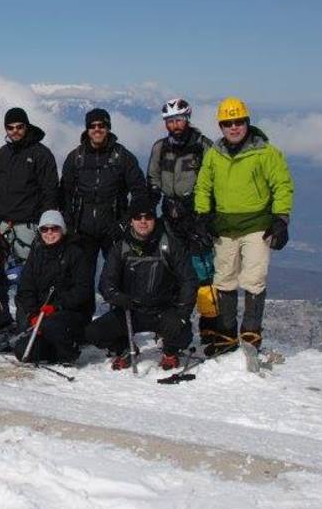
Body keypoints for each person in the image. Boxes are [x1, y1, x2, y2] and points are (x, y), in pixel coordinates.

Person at [194, 97, 294, 351]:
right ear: (221, 127)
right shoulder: (215, 155)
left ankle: (250, 334)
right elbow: (204, 186)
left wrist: (281, 218)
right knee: (224, 280)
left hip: (257, 226)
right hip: (224, 227)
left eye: (238, 122)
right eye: (228, 123)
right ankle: (226, 335)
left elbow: (281, 184)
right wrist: (202, 216)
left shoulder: (265, 152)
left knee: (254, 279)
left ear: (247, 123)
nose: (234, 127)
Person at [84, 197, 197, 371]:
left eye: (148, 217)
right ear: (131, 220)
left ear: (155, 219)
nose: (143, 221)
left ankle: (170, 351)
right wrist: (117, 297)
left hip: (163, 310)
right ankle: (125, 349)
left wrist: (182, 312)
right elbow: (106, 282)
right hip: (131, 310)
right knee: (94, 332)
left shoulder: (169, 244)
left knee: (182, 332)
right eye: (138, 217)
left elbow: (188, 280)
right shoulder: (120, 247)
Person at [59, 107, 148, 310]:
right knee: (82, 278)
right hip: (83, 230)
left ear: (108, 127)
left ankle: (119, 317)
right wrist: (70, 224)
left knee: (118, 275)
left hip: (114, 227)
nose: (97, 129)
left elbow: (139, 191)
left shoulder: (122, 156)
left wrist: (126, 223)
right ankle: (82, 320)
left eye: (101, 125)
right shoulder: (76, 157)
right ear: (87, 129)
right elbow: (64, 192)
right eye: (93, 126)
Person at [147, 97, 216, 334]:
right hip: (170, 214)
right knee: (170, 272)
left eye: (178, 120)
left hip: (197, 215)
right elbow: (153, 178)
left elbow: (213, 181)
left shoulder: (203, 145)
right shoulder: (160, 147)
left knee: (203, 273)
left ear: (187, 119)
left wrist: (204, 216)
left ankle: (211, 330)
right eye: (169, 121)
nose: (174, 125)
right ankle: (170, 327)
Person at [0, 106, 59, 271]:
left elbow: (50, 191)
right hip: (1, 224)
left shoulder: (41, 154)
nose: (14, 131)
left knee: (32, 271)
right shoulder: (2, 154)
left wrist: (46, 225)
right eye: (10, 128)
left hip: (28, 225)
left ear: (27, 126)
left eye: (19, 127)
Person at [13, 210, 93, 364]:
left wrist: (57, 306)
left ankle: (69, 352)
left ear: (62, 230)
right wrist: (32, 313)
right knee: (22, 350)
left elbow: (83, 289)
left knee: (52, 325)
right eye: (45, 229)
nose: (49, 233)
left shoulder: (75, 253)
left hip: (69, 312)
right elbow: (25, 287)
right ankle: (53, 351)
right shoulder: (36, 253)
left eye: (54, 228)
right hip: (41, 314)